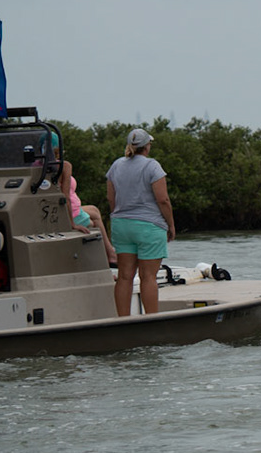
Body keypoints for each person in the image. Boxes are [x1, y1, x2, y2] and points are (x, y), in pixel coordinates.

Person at [106, 128, 175, 316]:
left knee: (124, 277)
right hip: (149, 227)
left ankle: (123, 321)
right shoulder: (152, 166)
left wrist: (120, 218)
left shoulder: (116, 165)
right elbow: (163, 200)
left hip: (121, 225)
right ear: (147, 146)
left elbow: (111, 199)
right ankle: (151, 319)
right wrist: (171, 225)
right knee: (148, 276)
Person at [60, 149, 118, 266]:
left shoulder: (40, 167)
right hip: (69, 214)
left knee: (94, 210)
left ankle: (110, 253)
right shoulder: (63, 166)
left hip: (73, 210)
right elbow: (65, 196)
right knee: (92, 223)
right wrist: (72, 224)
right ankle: (104, 261)